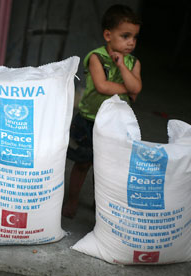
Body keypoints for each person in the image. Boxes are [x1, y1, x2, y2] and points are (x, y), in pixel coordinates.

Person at [62, 4, 142, 218]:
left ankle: (101, 205)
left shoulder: (133, 63)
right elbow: (103, 86)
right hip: (89, 119)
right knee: (83, 163)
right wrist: (128, 89)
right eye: (125, 36)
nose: (131, 42)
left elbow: (138, 88)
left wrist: (123, 67)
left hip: (115, 124)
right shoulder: (96, 57)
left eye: (134, 37)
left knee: (105, 167)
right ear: (108, 35)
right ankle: (72, 200)